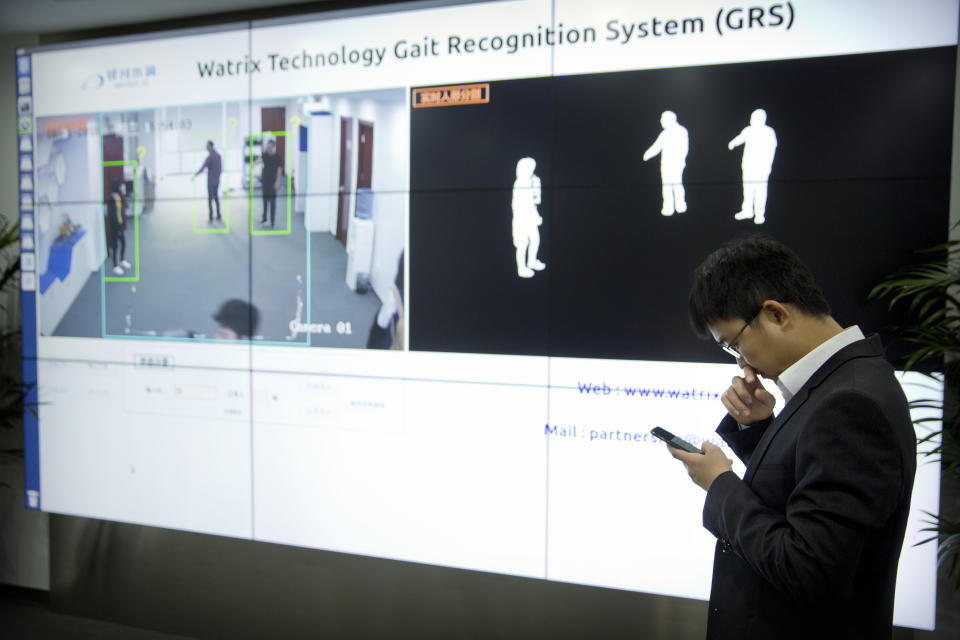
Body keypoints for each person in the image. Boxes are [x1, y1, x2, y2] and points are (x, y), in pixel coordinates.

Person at [668, 235, 916, 639]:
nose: (742, 362)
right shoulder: (847, 380)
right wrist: (759, 429)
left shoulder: (850, 403)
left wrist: (720, 484)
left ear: (776, 314)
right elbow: (804, 492)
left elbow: (808, 569)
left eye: (735, 344)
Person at [728, 109, 777, 225]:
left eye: (755, 118)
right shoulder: (748, 130)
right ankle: (747, 210)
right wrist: (732, 143)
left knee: (760, 191)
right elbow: (740, 138)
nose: (752, 120)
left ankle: (759, 214)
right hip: (748, 166)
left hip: (761, 167)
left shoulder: (768, 132)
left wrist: (768, 165)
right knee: (748, 189)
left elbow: (772, 149)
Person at [643, 110, 689, 216]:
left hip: (676, 164)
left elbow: (684, 148)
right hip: (666, 165)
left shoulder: (681, 131)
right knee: (667, 186)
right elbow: (657, 146)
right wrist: (647, 155)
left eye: (663, 120)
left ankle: (680, 205)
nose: (661, 122)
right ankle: (668, 207)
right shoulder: (664, 133)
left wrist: (681, 161)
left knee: (677, 184)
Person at [511, 157, 545, 278]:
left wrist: (536, 187)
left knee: (535, 239)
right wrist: (536, 217)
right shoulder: (520, 184)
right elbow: (525, 205)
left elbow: (537, 200)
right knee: (522, 244)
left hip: (531, 217)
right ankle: (521, 268)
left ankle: (532, 261)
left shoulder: (534, 181)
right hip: (522, 219)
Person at [105, 179, 130, 275]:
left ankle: (122, 260)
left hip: (119, 224)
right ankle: (115, 266)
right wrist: (117, 228)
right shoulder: (111, 198)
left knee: (123, 243)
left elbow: (119, 212)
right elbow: (112, 215)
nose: (121, 187)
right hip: (114, 226)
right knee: (115, 247)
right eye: (120, 186)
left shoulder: (118, 196)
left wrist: (122, 223)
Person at [194, 140, 222, 222]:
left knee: (210, 199)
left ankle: (211, 216)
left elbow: (203, 167)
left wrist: (196, 174)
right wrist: (218, 177)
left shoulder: (210, 157)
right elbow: (220, 169)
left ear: (211, 146)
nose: (206, 148)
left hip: (211, 182)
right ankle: (219, 215)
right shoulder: (218, 156)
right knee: (216, 198)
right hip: (217, 181)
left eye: (207, 146)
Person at [259, 139, 283, 227]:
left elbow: (279, 170)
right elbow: (258, 161)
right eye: (267, 146)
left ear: (274, 147)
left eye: (270, 147)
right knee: (265, 201)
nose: (268, 148)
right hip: (265, 182)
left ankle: (272, 221)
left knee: (272, 202)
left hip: (273, 183)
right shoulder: (265, 155)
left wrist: (278, 181)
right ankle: (264, 218)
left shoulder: (277, 157)